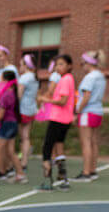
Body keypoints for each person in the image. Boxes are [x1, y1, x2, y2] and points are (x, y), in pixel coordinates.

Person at [36, 54, 76, 190]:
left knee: (47, 149)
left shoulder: (65, 80)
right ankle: (64, 179)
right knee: (59, 147)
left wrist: (46, 100)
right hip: (65, 119)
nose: (58, 67)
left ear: (69, 66)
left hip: (58, 118)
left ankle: (47, 181)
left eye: (61, 64)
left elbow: (63, 101)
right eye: (57, 64)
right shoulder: (69, 79)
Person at [74, 50, 106, 181]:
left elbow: (86, 96)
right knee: (93, 142)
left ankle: (86, 172)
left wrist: (78, 110)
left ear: (89, 63)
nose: (82, 66)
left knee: (86, 143)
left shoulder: (90, 77)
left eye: (83, 63)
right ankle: (92, 170)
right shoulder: (101, 76)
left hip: (88, 112)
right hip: (98, 112)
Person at [17, 55, 40, 169]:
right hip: (31, 110)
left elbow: (19, 96)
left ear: (26, 66)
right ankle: (24, 161)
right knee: (26, 137)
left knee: (22, 138)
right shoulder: (35, 78)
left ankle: (19, 162)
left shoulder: (24, 78)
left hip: (22, 110)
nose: (19, 67)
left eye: (21, 64)